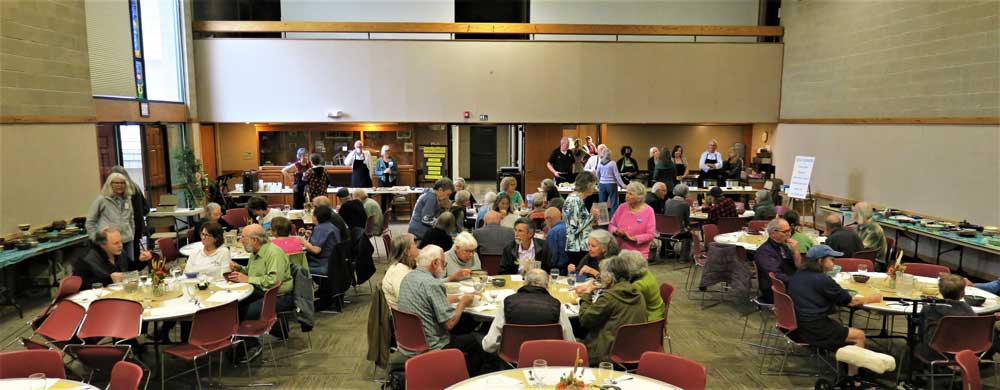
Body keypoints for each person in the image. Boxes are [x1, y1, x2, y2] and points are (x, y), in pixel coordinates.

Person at [788, 245, 881, 377]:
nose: (834, 263)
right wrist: (873, 298)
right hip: (813, 328)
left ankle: (848, 364)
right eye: (832, 260)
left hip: (798, 323)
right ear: (820, 261)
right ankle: (853, 378)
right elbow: (851, 301)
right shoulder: (823, 280)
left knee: (838, 323)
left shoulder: (799, 273)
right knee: (859, 335)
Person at [397, 245, 484, 373]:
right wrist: (463, 304)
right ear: (435, 262)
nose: (444, 267)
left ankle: (451, 366)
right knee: (476, 342)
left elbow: (430, 299)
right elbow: (449, 324)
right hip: (432, 344)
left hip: (409, 339)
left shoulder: (409, 277)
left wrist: (460, 297)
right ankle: (462, 378)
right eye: (444, 263)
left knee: (465, 321)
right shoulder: (433, 284)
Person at [227, 224, 295, 363]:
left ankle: (252, 345)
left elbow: (274, 281)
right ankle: (241, 341)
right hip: (262, 292)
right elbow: (255, 273)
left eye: (243, 238)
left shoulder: (273, 253)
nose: (241, 241)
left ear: (255, 240)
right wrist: (241, 269)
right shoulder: (255, 252)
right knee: (232, 307)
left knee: (245, 313)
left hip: (279, 296)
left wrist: (247, 279)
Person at [574, 255, 648, 365]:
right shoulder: (636, 292)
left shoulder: (609, 297)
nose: (601, 277)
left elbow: (585, 319)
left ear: (609, 278)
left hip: (606, 353)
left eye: (602, 274)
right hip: (633, 349)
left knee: (571, 337)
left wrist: (586, 294)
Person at [482, 268, 576, 353]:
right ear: (547, 286)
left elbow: (489, 345)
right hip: (548, 356)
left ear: (525, 283)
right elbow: (571, 343)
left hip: (512, 355)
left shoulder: (507, 303)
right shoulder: (556, 305)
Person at [918, 274, 975, 361]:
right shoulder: (969, 310)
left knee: (911, 344)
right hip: (965, 352)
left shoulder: (930, 309)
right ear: (963, 294)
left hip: (935, 353)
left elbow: (922, 335)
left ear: (940, 291)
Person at [86, 173, 138, 266]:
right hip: (109, 242)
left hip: (127, 239)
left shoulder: (128, 199)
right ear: (110, 184)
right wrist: (95, 238)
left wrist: (132, 234)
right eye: (116, 183)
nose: (120, 185)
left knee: (129, 267)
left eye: (122, 183)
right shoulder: (102, 199)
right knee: (113, 267)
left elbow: (131, 219)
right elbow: (90, 221)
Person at [74, 228, 152, 288]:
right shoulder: (88, 259)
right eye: (116, 243)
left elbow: (130, 269)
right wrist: (109, 279)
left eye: (121, 241)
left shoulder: (119, 253)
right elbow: (80, 284)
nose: (120, 245)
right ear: (103, 245)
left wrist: (141, 261)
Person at [755, 218, 802, 304]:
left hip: (789, 282)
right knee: (813, 292)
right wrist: (798, 281)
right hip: (774, 289)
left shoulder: (784, 246)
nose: (789, 234)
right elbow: (776, 276)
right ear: (773, 233)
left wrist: (795, 250)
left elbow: (798, 266)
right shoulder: (765, 252)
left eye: (790, 230)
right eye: (785, 232)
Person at [108, 166, 149, 265]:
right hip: (137, 226)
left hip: (126, 229)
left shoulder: (122, 192)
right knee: (134, 256)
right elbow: (146, 208)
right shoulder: (136, 187)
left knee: (126, 260)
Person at [610, 182, 657, 259]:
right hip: (619, 251)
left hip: (638, 254)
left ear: (639, 197)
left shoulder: (649, 211)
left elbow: (650, 235)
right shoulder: (622, 207)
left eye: (630, 194)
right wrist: (616, 231)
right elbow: (611, 224)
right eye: (627, 193)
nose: (627, 196)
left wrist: (633, 238)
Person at [564, 171, 599, 268]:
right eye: (594, 185)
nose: (595, 188)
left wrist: (592, 221)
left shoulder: (578, 200)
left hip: (581, 246)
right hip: (577, 248)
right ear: (588, 185)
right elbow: (574, 228)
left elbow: (581, 223)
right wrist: (591, 216)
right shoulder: (574, 200)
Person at [620, 250, 665, 320]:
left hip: (650, 317)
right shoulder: (646, 272)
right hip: (658, 310)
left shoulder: (638, 285)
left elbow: (622, 301)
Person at [297, 205, 340, 276]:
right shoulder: (332, 226)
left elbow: (315, 250)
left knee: (295, 268)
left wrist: (303, 241)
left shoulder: (320, 229)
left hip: (321, 264)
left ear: (315, 217)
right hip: (335, 262)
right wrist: (312, 235)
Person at [382, 233, 419, 308]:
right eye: (414, 243)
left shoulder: (407, 265)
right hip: (406, 316)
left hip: (411, 311)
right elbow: (406, 300)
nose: (417, 245)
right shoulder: (399, 271)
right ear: (407, 252)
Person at [595, 148, 627, 213]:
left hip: (602, 185)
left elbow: (597, 174)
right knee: (614, 203)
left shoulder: (600, 163)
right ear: (609, 155)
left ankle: (602, 220)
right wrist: (623, 185)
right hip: (611, 185)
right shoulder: (612, 163)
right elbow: (617, 175)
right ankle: (613, 220)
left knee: (602, 203)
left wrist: (599, 182)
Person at [544, 208, 570, 273]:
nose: (545, 222)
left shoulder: (553, 232)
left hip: (557, 271)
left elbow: (551, 257)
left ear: (549, 219)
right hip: (571, 268)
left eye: (545, 219)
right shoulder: (569, 228)